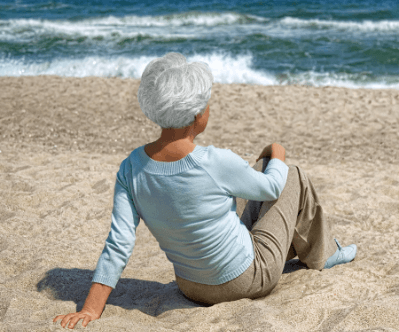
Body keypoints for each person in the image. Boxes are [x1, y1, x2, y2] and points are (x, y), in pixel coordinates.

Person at [53, 52, 357, 329]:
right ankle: (324, 254)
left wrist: (92, 309)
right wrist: (277, 151)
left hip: (190, 286)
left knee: (246, 181)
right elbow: (274, 186)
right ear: (198, 114)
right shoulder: (214, 161)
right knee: (291, 175)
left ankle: (309, 245)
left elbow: (118, 243)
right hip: (247, 280)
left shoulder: (131, 168)